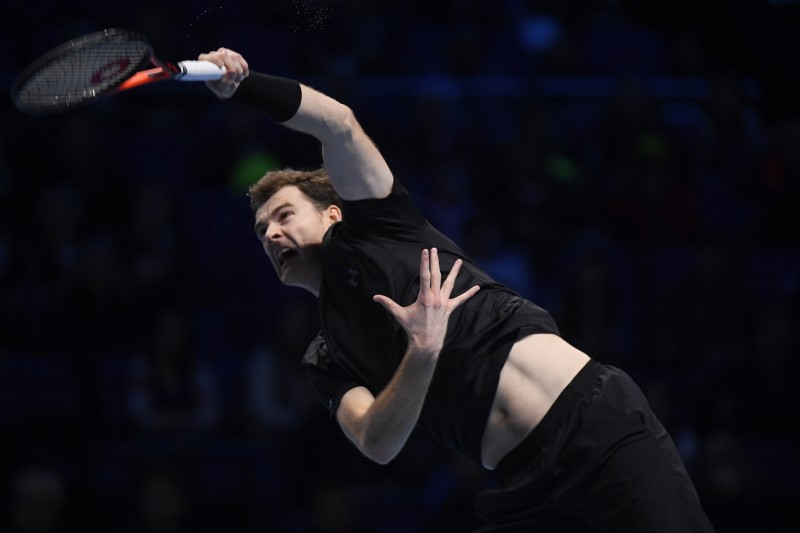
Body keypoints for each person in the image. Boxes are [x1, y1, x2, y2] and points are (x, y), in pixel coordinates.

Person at [198, 47, 715, 532]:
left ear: (333, 212)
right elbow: (378, 442)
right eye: (262, 231)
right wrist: (422, 350)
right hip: (523, 487)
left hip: (597, 429)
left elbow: (338, 124)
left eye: (284, 215)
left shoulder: (376, 225)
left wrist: (246, 85)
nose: (270, 234)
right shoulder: (325, 357)